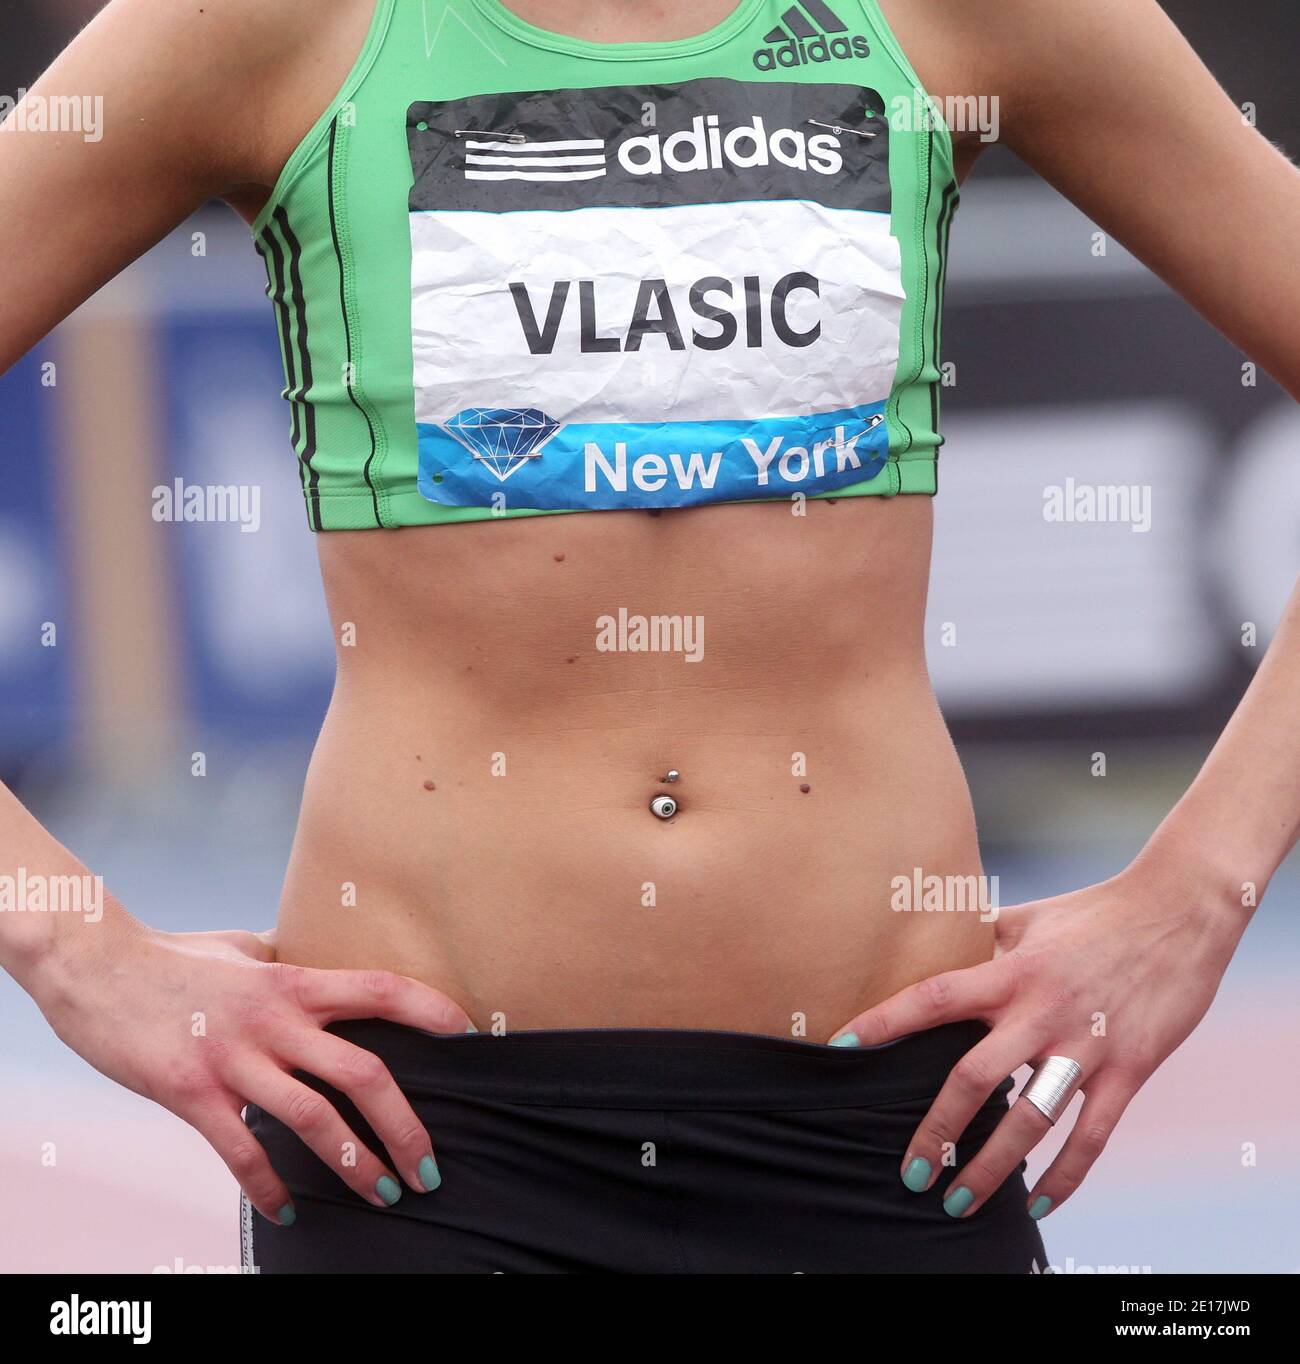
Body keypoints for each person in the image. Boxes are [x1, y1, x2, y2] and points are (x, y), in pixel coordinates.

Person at [1, 0, 1297, 1274]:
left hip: (894, 1139)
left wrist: (1200, 889)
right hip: (421, 1154)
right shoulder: (263, 23)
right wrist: (74, 951)